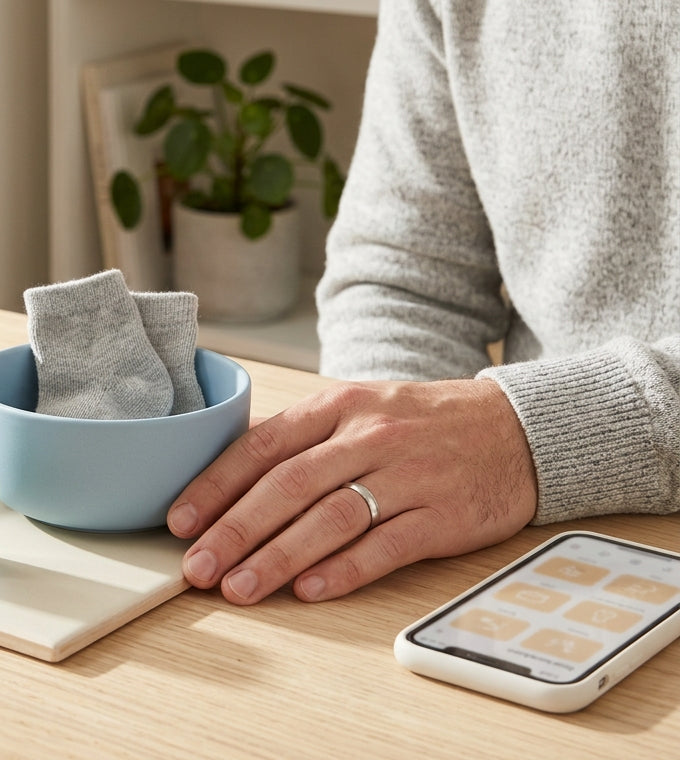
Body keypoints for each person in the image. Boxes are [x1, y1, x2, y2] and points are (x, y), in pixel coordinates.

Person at [166, 0, 680, 604]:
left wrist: (523, 440)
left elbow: (511, 437)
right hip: (527, 552)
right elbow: (404, 281)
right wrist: (403, 484)